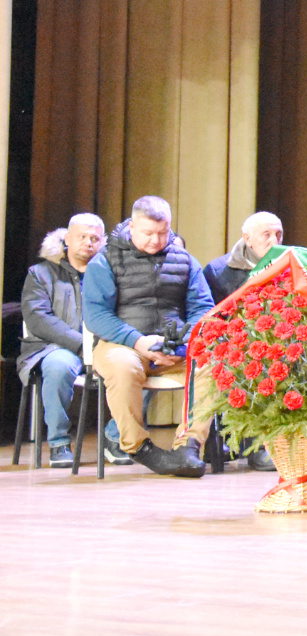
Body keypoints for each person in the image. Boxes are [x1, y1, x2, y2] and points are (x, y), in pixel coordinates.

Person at [81, 196, 213, 477]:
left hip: (174, 346)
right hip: (123, 344)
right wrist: (138, 341)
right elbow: (95, 315)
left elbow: (203, 309)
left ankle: (188, 446)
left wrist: (181, 344)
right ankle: (137, 446)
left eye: (163, 233)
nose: (156, 240)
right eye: (148, 233)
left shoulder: (185, 260)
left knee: (212, 363)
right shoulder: (104, 261)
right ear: (131, 226)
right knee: (122, 366)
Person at [18, 215, 127, 467]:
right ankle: (58, 442)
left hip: (104, 347)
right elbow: (38, 318)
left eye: (95, 238)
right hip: (54, 347)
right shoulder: (40, 274)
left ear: (103, 243)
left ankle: (113, 436)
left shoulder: (112, 274)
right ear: (67, 239)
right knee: (58, 366)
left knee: (144, 363)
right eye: (82, 237)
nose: (88, 243)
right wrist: (81, 344)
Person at [202, 211, 284, 302]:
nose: (274, 241)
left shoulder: (292, 266)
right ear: (248, 239)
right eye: (266, 235)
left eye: (278, 235)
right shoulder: (217, 272)